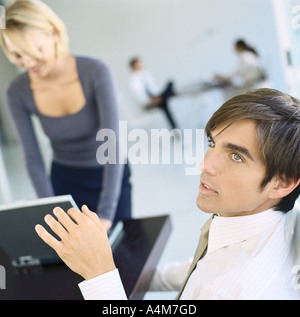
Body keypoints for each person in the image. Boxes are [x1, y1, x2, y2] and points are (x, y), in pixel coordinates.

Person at [35, 88, 300, 300]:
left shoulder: (233, 290)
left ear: (283, 183)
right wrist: (143, 273)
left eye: (236, 156)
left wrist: (100, 274)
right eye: (212, 144)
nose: (205, 165)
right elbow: (202, 267)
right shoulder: (274, 221)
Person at [0, 0, 131, 231]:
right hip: (65, 180)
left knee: (120, 255)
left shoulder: (95, 71)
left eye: (35, 51)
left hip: (110, 176)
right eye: (18, 56)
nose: (28, 63)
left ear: (52, 33)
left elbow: (113, 143)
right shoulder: (16, 92)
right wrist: (52, 212)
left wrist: (106, 214)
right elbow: (33, 159)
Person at [128, 56, 178, 130]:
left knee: (169, 85)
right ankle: (175, 129)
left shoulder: (146, 75)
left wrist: (157, 97)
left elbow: (154, 89)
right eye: (138, 64)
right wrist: (152, 100)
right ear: (133, 67)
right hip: (147, 104)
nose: (141, 66)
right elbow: (140, 98)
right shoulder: (133, 81)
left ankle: (175, 130)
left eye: (141, 64)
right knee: (164, 101)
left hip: (156, 97)